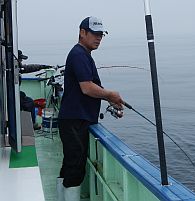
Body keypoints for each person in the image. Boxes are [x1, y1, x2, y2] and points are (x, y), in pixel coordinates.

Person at [57, 16, 124, 201]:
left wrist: (108, 98)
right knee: (75, 168)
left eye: (101, 35)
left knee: (69, 164)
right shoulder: (79, 54)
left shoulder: (83, 54)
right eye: (94, 34)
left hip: (75, 119)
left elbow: (91, 86)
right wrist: (110, 94)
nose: (98, 38)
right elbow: (86, 87)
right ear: (82, 32)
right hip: (74, 120)